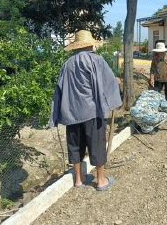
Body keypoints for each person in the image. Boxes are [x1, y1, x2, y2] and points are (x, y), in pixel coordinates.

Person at [49, 30, 122, 191]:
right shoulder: (97, 60)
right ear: (90, 44)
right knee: (96, 144)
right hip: (92, 111)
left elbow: (59, 89)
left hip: (72, 112)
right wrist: (116, 81)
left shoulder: (67, 64)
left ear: (76, 46)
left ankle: (79, 179)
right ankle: (101, 180)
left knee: (75, 145)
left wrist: (57, 113)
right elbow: (108, 81)